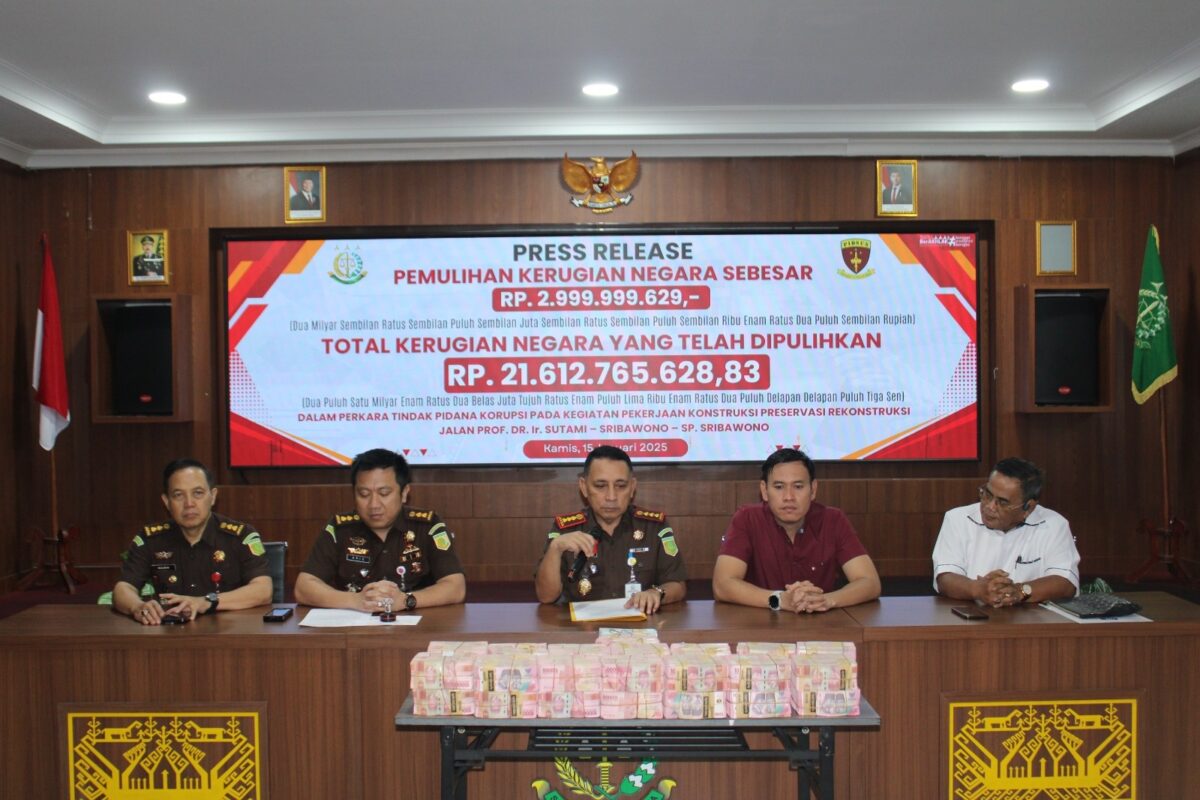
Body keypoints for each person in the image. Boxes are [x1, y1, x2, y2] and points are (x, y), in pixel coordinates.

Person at [295, 448, 465, 612]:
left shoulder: (428, 526)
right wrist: (356, 600)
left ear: (404, 493)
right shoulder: (339, 528)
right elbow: (303, 588)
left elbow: (456, 587)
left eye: (384, 493)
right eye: (364, 494)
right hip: (355, 625)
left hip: (419, 623)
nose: (374, 505)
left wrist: (406, 600)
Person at [713, 448, 881, 613]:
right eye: (779, 487)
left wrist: (826, 600)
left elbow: (870, 583)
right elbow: (722, 585)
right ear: (764, 490)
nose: (789, 497)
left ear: (813, 489)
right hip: (759, 624)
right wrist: (779, 600)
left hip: (820, 623)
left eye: (798, 486)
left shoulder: (833, 520)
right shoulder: (747, 518)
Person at [113, 458, 272, 624]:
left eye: (198, 493)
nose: (189, 504)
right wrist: (137, 607)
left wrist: (207, 601)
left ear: (212, 496)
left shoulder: (240, 536)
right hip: (169, 632)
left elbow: (263, 590)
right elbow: (123, 588)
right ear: (167, 502)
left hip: (228, 632)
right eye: (178, 495)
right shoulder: (150, 539)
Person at [535, 445, 686, 614]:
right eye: (600, 486)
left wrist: (656, 593)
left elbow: (678, 585)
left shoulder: (654, 527)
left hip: (640, 626)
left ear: (632, 487)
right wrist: (555, 549)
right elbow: (546, 596)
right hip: (581, 628)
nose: (611, 497)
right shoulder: (565, 530)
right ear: (584, 487)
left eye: (620, 486)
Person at [932, 457, 1079, 607]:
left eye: (1002, 502)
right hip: (970, 616)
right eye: (987, 494)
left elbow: (1066, 583)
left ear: (1028, 508)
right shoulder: (958, 519)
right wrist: (979, 589)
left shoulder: (1053, 525)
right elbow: (945, 578)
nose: (990, 506)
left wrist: (1020, 591)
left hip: (1030, 618)